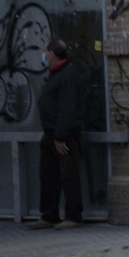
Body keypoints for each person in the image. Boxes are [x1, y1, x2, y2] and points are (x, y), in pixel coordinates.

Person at [29, 37, 85, 230]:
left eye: (45, 52)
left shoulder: (67, 75)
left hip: (64, 135)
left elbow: (67, 108)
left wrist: (60, 136)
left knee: (68, 175)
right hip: (51, 134)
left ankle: (73, 216)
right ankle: (49, 215)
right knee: (48, 175)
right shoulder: (56, 74)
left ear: (52, 54)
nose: (43, 56)